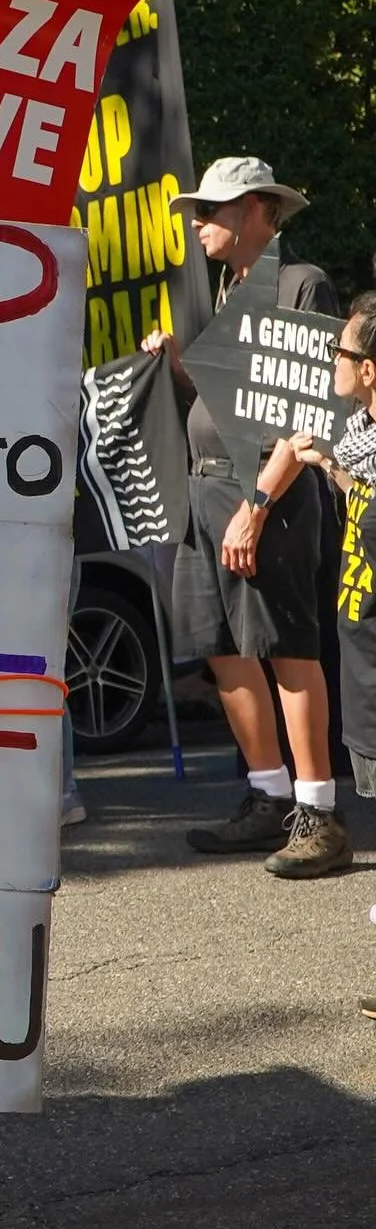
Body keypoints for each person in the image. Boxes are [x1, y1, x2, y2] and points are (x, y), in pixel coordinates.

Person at [141, 157, 348, 879]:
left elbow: (309, 411)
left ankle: (319, 814)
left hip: (264, 493)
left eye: (212, 209)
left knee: (287, 646)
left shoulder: (300, 283)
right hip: (206, 488)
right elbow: (231, 400)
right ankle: (268, 797)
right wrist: (176, 364)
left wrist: (256, 506)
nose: (198, 222)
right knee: (222, 647)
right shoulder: (231, 287)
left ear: (258, 209)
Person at [291, 293, 376, 1015]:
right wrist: (332, 468)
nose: (332, 361)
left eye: (341, 352)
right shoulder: (361, 442)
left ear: (369, 370)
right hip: (362, 665)